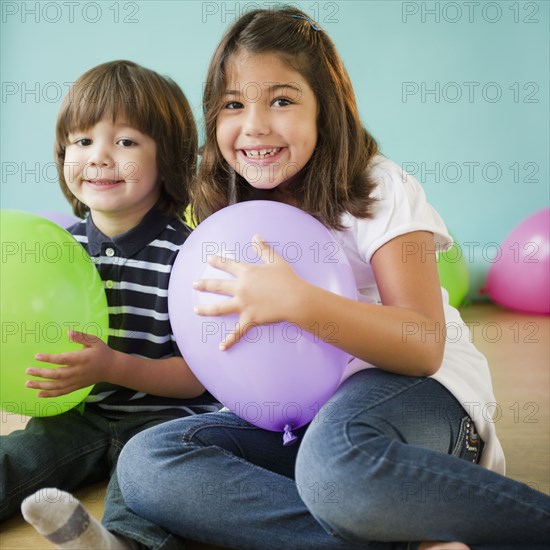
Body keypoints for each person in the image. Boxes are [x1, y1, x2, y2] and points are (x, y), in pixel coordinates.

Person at [117, 7, 550, 550]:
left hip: (415, 400)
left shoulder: (376, 187)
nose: (254, 124)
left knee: (335, 462)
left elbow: (422, 347)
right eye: (233, 104)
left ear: (326, 108)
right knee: (147, 460)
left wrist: (299, 301)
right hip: (303, 421)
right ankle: (401, 541)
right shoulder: (228, 211)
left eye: (281, 100)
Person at [0, 60, 220, 550]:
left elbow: (203, 375)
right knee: (19, 454)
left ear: (169, 159)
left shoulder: (190, 256)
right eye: (81, 141)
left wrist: (114, 366)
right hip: (80, 414)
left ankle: (117, 543)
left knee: (151, 486)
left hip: (167, 420)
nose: (98, 157)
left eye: (124, 142)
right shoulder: (57, 248)